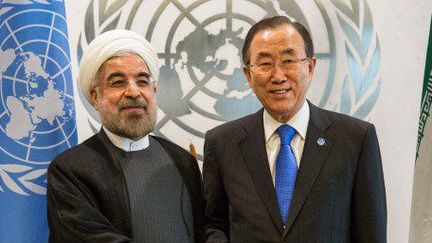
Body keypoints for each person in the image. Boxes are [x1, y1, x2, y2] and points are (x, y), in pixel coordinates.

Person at [202, 16, 386, 242]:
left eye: (289, 61)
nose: (278, 76)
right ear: (248, 75)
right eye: (265, 63)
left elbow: (371, 233)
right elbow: (214, 225)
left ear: (310, 66)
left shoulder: (356, 139)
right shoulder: (222, 143)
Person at [47, 30, 203, 243]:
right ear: (95, 96)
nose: (133, 92)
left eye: (142, 81)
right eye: (118, 82)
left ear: (153, 90)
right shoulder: (71, 170)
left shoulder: (182, 161)